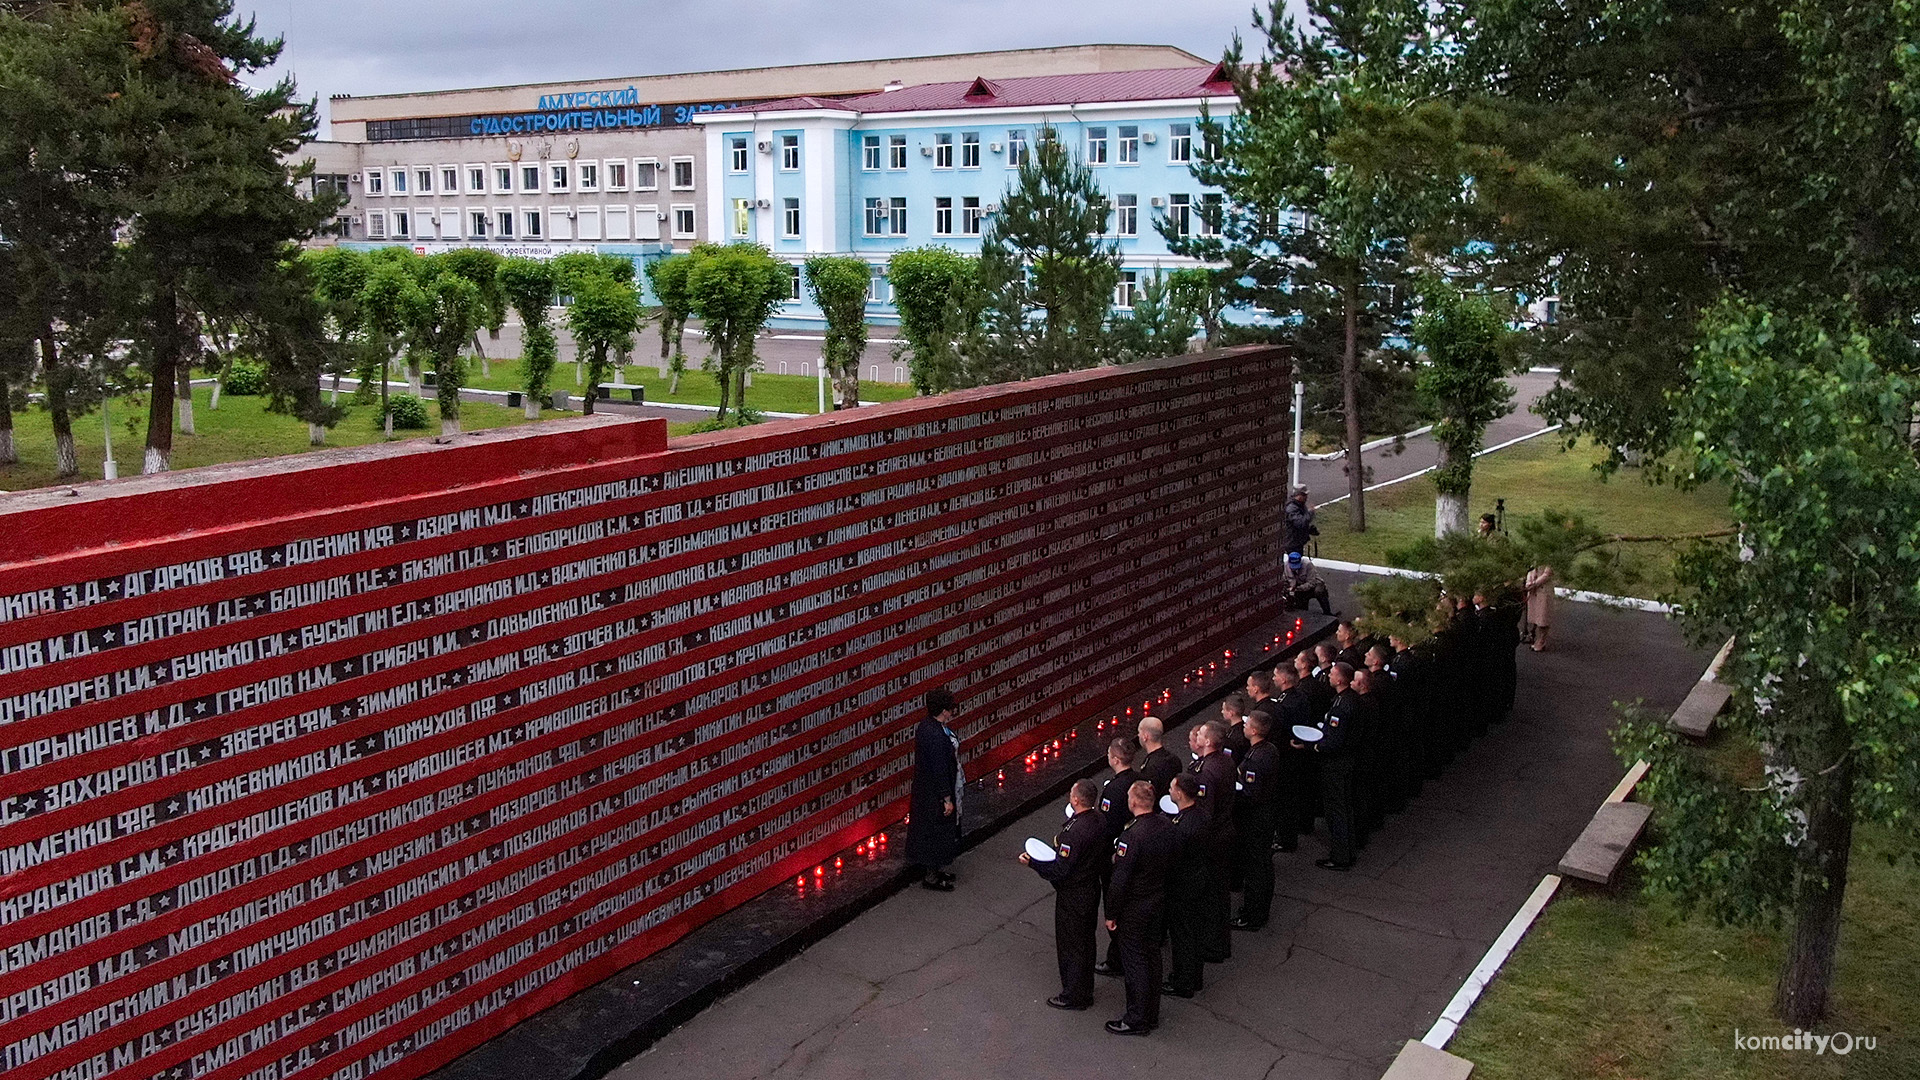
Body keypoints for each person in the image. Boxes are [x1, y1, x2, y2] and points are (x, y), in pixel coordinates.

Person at [1023, 778, 1109, 1010]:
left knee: (1071, 945)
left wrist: (1034, 864)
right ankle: (1084, 988)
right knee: (1086, 942)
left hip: (1074, 895)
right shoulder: (1100, 820)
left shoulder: (1074, 831)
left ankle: (1073, 994)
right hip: (1091, 888)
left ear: (1076, 799)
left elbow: (1061, 869)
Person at [1105, 781, 1178, 1036]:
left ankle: (1136, 1018)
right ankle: (1151, 1013)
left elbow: (1120, 879)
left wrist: (1111, 914)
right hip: (1158, 900)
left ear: (1134, 802)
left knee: (1135, 962)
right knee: (1152, 958)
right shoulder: (1165, 825)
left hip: (1135, 906)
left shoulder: (1131, 836)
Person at [1294, 662, 1358, 871]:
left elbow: (1333, 741)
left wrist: (1313, 747)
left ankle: (1340, 856)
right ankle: (1347, 850)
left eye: (1332, 674)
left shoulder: (1342, 705)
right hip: (1346, 760)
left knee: (1336, 810)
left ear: (1340, 680)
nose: (1328, 676)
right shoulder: (1348, 699)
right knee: (1343, 807)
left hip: (1336, 764)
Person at [1185, 721, 1236, 963]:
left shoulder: (1206, 772)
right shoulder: (1225, 761)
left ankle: (1212, 946)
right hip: (1226, 832)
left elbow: (1205, 813)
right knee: (1220, 892)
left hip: (1213, 839)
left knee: (1211, 894)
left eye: (1201, 734)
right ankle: (1221, 943)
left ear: (1207, 742)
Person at [906, 688, 963, 890]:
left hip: (928, 791)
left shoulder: (926, 727)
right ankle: (932, 876)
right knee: (936, 833)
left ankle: (936, 870)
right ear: (944, 710)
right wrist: (946, 798)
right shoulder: (936, 736)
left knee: (934, 831)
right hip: (935, 795)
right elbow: (939, 768)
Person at [1094, 738, 1139, 979]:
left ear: (1115, 759)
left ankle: (1118, 957)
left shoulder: (1114, 788)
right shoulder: (1138, 778)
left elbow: (1108, 824)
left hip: (1114, 852)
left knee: (1115, 900)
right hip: (1131, 846)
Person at [1162, 774, 1210, 998]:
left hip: (1182, 888)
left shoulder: (1182, 826)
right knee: (1194, 933)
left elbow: (1172, 859)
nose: (1170, 791)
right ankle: (1194, 977)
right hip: (1199, 881)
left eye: (1172, 788)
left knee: (1182, 937)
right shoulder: (1201, 815)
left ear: (1180, 793)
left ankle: (1183, 982)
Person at [1232, 713, 1281, 929]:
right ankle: (1257, 909)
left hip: (1256, 819)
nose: (1243, 725)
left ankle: (1254, 915)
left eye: (1247, 724)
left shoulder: (1255, 759)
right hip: (1266, 814)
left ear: (1254, 731)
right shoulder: (1269, 750)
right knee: (1261, 865)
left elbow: (1251, 794)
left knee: (1256, 868)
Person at [1136, 717, 1182, 798]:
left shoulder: (1150, 766)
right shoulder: (1175, 759)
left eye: (1139, 732)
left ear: (1145, 736)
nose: (1138, 735)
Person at [1525, 564, 1555, 652]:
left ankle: (1541, 641)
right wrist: (1529, 581)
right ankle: (1534, 637)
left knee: (1543, 618)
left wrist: (1535, 583)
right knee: (1535, 617)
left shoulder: (1550, 558)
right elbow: (1531, 569)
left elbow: (1547, 574)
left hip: (1543, 590)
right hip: (1533, 591)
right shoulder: (1536, 557)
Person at [1218, 692, 1253, 763]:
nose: (1222, 712)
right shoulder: (1246, 729)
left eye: (1224, 709)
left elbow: (1228, 760)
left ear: (1231, 713)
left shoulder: (1231, 738)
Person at [1284, 485, 1318, 554]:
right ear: (1299, 496)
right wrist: (1310, 513)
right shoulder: (1292, 508)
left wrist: (1309, 530)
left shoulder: (1301, 505)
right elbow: (1300, 523)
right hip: (1292, 545)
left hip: (1298, 543)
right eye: (1305, 495)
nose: (1306, 497)